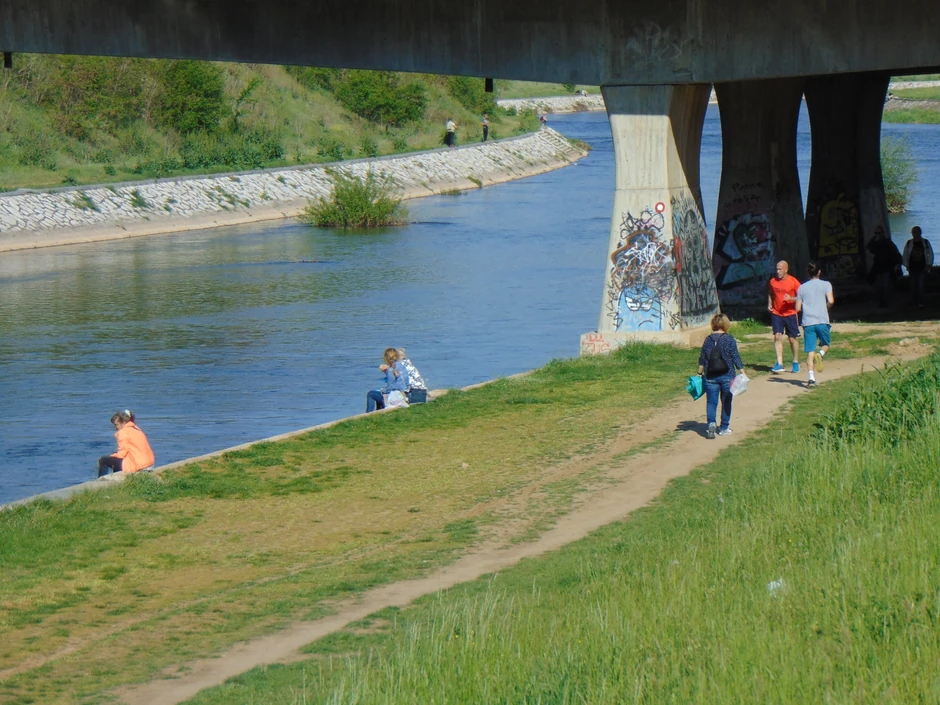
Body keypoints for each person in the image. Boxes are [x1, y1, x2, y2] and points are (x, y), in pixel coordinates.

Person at [697, 313, 745, 440]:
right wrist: (742, 371)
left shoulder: (708, 339)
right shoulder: (729, 339)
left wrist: (699, 373)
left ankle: (711, 424)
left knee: (711, 402)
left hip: (710, 376)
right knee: (726, 402)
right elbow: (735, 356)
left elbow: (702, 358)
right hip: (727, 376)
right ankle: (724, 428)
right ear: (726, 323)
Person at [795, 261, 835, 388]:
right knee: (826, 345)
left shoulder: (802, 287)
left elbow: (797, 308)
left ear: (808, 273)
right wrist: (825, 308)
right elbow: (831, 301)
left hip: (808, 322)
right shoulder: (826, 284)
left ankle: (811, 379)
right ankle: (820, 354)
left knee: (810, 351)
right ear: (819, 272)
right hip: (822, 320)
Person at [97, 409, 155, 478]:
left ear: (123, 423)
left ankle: (101, 480)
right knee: (115, 458)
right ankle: (117, 476)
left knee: (103, 460)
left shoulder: (123, 432)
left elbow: (121, 454)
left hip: (138, 465)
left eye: (116, 425)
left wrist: (112, 455)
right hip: (149, 463)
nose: (115, 427)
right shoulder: (136, 428)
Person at [767, 260, 801, 373]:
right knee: (777, 336)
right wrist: (769, 303)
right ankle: (780, 363)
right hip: (777, 313)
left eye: (780, 269)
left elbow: (802, 296)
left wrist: (791, 298)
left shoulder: (793, 281)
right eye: (777, 269)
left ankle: (795, 361)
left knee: (792, 339)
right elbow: (770, 293)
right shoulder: (772, 281)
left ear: (786, 270)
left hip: (790, 313)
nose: (778, 271)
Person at [866, 224, 902, 307]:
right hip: (877, 267)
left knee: (885, 285)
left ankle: (885, 302)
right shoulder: (874, 241)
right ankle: (881, 301)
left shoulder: (888, 242)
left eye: (879, 233)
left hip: (887, 267)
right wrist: (874, 240)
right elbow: (869, 248)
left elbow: (895, 252)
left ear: (882, 233)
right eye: (876, 233)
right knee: (877, 284)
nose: (877, 235)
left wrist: (897, 264)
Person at [367, 348, 410, 412]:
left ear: (386, 358)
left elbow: (390, 388)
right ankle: (379, 411)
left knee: (371, 394)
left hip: (397, 397)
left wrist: (382, 390)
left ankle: (368, 413)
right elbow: (405, 383)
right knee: (379, 394)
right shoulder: (402, 366)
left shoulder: (390, 370)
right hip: (406, 393)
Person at [902, 225, 934, 308]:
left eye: (916, 232)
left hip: (922, 268)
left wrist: (929, 265)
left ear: (920, 233)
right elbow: (905, 254)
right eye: (913, 232)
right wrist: (906, 265)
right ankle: (913, 301)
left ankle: (921, 302)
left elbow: (930, 254)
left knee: (920, 286)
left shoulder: (925, 242)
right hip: (912, 268)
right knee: (913, 286)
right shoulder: (909, 243)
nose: (914, 234)